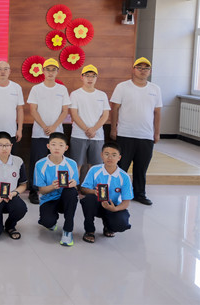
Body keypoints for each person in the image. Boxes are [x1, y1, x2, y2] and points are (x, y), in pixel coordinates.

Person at [110, 57, 162, 206]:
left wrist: (156, 133)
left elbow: (157, 112)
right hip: (125, 134)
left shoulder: (155, 89)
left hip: (146, 135)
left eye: (146, 68)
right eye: (139, 67)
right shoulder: (122, 87)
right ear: (133, 69)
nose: (142, 71)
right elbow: (115, 109)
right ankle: (115, 194)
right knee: (121, 167)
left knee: (141, 168)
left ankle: (139, 194)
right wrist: (113, 128)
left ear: (150, 71)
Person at [27, 58, 71, 205]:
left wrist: (53, 127)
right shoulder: (36, 89)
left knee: (57, 161)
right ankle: (34, 191)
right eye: (48, 69)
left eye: (53, 70)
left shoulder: (62, 89)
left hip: (57, 134)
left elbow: (65, 111)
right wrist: (44, 126)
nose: (50, 72)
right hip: (39, 133)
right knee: (37, 162)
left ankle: (57, 190)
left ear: (57, 72)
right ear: (43, 71)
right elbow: (33, 110)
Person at [80, 142, 133, 243]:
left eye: (114, 155)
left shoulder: (124, 176)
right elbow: (83, 189)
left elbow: (126, 202)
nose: (110, 158)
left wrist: (115, 209)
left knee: (121, 223)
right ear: (101, 155)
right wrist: (93, 191)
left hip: (113, 205)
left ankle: (109, 227)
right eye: (107, 154)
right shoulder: (94, 170)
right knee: (88, 200)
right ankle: (89, 230)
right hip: (96, 204)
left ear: (119, 157)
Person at [34, 132, 79, 246]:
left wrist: (74, 184)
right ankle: (49, 221)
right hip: (49, 199)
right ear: (48, 146)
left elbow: (75, 187)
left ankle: (68, 231)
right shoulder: (40, 164)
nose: (57, 148)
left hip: (65, 199)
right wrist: (52, 187)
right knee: (47, 222)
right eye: (53, 144)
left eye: (60, 145)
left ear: (66, 148)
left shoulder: (72, 164)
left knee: (72, 191)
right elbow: (41, 190)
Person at [68, 64, 110, 178]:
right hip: (79, 135)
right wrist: (87, 129)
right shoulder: (75, 94)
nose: (90, 79)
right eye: (87, 76)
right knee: (76, 165)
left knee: (96, 166)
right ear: (82, 77)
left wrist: (94, 129)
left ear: (96, 78)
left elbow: (105, 115)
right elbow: (74, 114)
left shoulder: (102, 95)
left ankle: (91, 187)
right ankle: (74, 187)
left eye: (93, 76)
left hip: (97, 136)